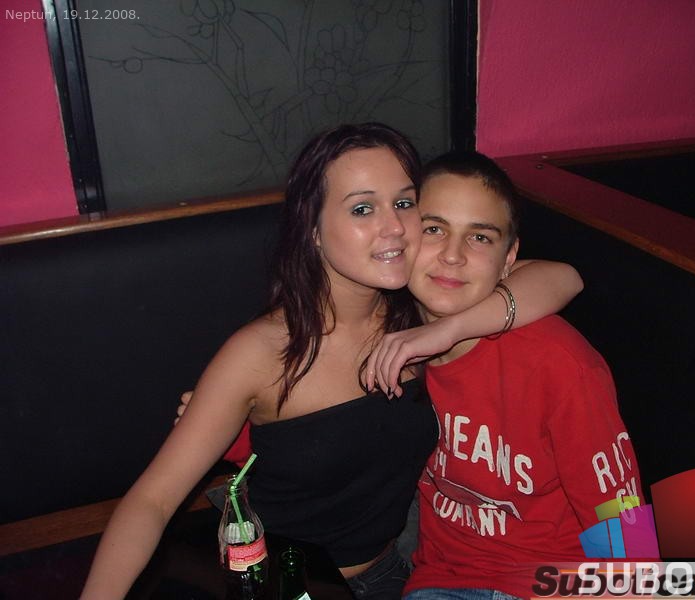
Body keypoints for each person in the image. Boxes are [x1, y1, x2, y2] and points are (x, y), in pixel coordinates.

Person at [80, 124, 583, 600]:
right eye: (362, 209)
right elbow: (152, 501)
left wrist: (446, 329)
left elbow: (562, 278)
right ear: (314, 229)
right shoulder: (262, 353)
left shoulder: (425, 307)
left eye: (403, 203)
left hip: (400, 573)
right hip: (286, 580)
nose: (393, 227)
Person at [370, 151, 641, 599]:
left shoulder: (557, 362)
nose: (453, 255)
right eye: (434, 229)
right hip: (446, 580)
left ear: (509, 257)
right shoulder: (384, 336)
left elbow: (622, 517)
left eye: (479, 237)